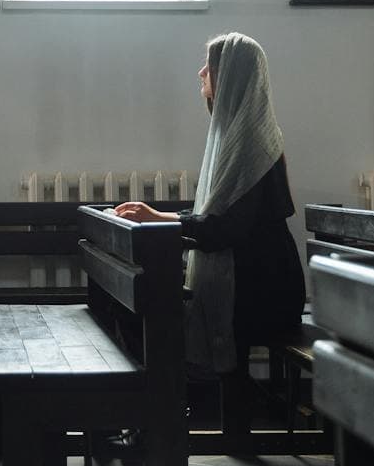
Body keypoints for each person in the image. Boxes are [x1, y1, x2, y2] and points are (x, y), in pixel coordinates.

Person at [114, 33, 305, 374]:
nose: (201, 72)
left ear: (231, 75)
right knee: (137, 303)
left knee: (144, 308)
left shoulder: (251, 144)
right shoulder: (239, 136)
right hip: (253, 277)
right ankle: (161, 409)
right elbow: (220, 219)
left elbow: (225, 230)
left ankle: (162, 410)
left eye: (211, 65)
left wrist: (160, 218)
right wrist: (161, 216)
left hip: (263, 289)